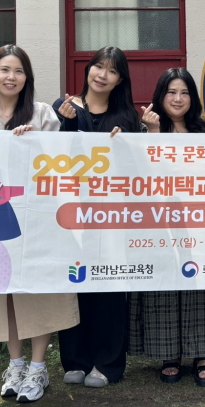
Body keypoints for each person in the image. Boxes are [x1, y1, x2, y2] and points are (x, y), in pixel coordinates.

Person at [0, 44, 79, 404]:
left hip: (37, 217)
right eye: (4, 70)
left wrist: (35, 143)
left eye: (18, 71)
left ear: (27, 77)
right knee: (6, 292)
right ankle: (15, 365)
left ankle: (38, 367)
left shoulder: (43, 113)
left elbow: (59, 162)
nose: (11, 77)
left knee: (38, 289)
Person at [51, 46, 138, 389]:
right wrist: (67, 123)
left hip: (112, 217)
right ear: (88, 69)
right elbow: (52, 157)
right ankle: (75, 359)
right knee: (75, 284)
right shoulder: (63, 107)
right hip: (71, 215)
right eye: (98, 67)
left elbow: (134, 169)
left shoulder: (127, 116)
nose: (103, 75)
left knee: (109, 290)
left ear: (120, 80)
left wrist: (126, 143)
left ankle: (107, 362)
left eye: (112, 71)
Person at [133, 69, 205, 387]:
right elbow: (140, 175)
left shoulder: (204, 132)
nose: (178, 99)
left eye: (184, 92)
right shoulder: (144, 129)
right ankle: (168, 354)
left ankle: (202, 354)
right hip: (158, 222)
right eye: (171, 92)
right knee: (164, 283)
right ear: (160, 95)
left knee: (198, 284)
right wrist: (153, 132)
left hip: (197, 221)